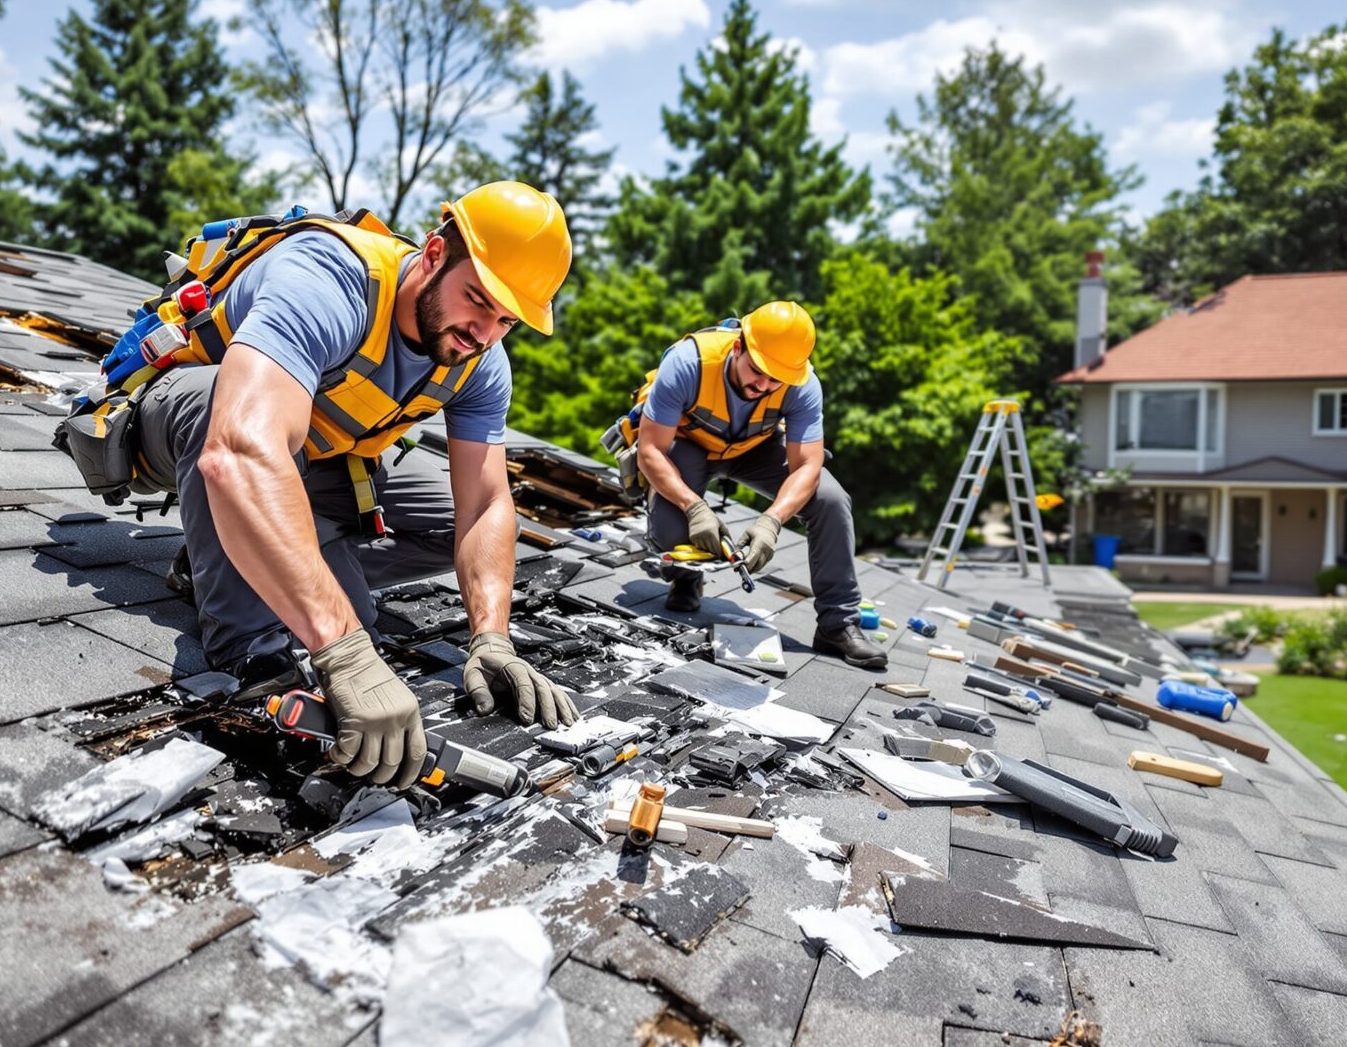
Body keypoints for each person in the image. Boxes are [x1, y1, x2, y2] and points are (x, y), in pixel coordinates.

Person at [129, 182, 581, 790]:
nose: (485, 332)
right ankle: (249, 641)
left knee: (451, 515)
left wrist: (493, 636)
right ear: (431, 255)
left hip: (311, 457)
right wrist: (344, 651)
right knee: (227, 411)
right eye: (478, 300)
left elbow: (486, 504)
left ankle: (255, 551)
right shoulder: (330, 277)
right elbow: (238, 451)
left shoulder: (481, 358)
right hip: (180, 420)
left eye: (507, 320)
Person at [626, 301, 887, 669]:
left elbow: (808, 465)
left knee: (830, 498)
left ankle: (837, 623)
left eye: (775, 380)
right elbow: (651, 450)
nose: (763, 386)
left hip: (754, 448)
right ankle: (685, 579)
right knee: (673, 529)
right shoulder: (689, 363)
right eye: (757, 371)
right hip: (687, 448)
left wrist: (773, 520)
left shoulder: (803, 384)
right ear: (737, 348)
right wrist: (693, 506)